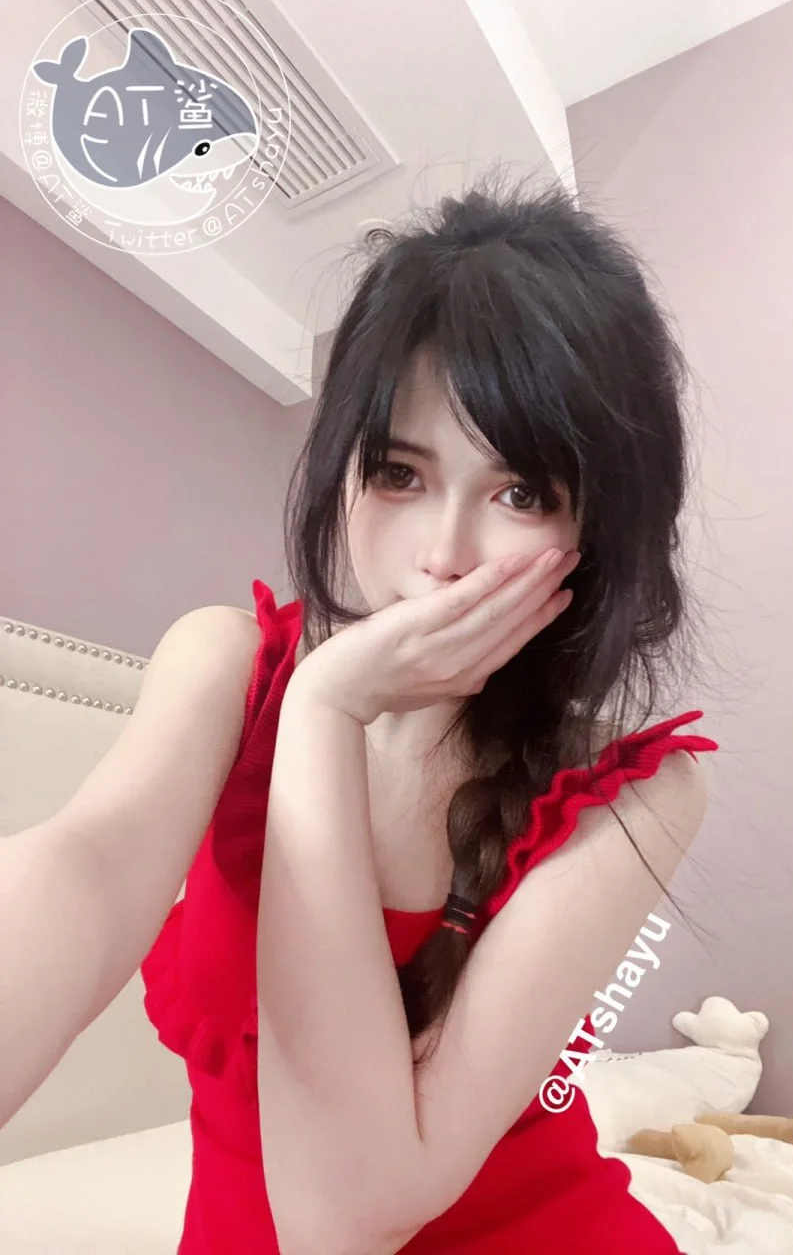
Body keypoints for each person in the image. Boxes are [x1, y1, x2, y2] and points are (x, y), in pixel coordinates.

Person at [0, 170, 719, 1254]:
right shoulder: (227, 664)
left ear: (596, 525)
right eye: (398, 472)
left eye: (521, 493)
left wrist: (328, 710)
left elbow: (347, 1216)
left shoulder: (635, 789)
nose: (443, 555)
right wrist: (308, 702)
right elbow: (88, 866)